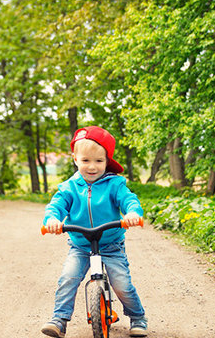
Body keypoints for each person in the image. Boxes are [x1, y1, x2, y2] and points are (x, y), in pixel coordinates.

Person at [41, 126, 148, 337]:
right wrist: (52, 219)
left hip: (110, 244)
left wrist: (132, 213)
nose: (92, 167)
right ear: (75, 159)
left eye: (99, 161)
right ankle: (59, 319)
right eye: (86, 160)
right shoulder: (69, 187)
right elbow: (56, 205)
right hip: (80, 245)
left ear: (107, 161)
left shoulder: (115, 183)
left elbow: (128, 200)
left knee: (122, 284)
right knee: (68, 278)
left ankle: (137, 317)